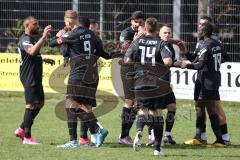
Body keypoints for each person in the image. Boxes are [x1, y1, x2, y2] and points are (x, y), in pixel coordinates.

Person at [50, 10, 119, 148]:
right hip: (92, 75)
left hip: (78, 75)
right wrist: (119, 53)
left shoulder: (71, 34)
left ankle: (95, 130)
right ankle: (84, 138)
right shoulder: (93, 36)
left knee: (71, 104)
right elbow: (105, 55)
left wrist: (60, 36)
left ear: (70, 21)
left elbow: (53, 43)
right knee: (83, 106)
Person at [124, 17, 173, 156]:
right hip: (156, 83)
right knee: (157, 114)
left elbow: (127, 60)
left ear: (145, 29)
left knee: (142, 110)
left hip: (139, 81)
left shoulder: (137, 42)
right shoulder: (160, 43)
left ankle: (139, 130)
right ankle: (157, 149)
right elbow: (168, 61)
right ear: (157, 30)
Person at [183, 16, 230, 145]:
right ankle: (199, 137)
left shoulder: (208, 44)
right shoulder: (210, 43)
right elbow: (196, 59)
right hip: (203, 79)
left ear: (204, 32)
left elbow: (199, 65)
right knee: (199, 106)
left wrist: (184, 65)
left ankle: (221, 140)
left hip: (208, 80)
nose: (197, 31)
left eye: (199, 29)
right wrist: (185, 51)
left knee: (212, 109)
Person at [15, 16, 55, 144]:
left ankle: (22, 128)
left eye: (37, 24)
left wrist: (43, 59)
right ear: (27, 26)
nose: (38, 26)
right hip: (29, 76)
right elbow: (31, 52)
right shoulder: (25, 39)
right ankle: (27, 137)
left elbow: (32, 56)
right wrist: (43, 37)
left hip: (35, 76)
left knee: (40, 103)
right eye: (35, 24)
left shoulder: (31, 39)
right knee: (31, 105)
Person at [119, 10, 144, 145]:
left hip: (141, 69)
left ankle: (125, 133)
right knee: (129, 101)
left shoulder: (146, 32)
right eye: (135, 22)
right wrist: (136, 39)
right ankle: (124, 135)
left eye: (140, 22)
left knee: (138, 103)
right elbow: (123, 50)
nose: (137, 24)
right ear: (131, 22)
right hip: (128, 68)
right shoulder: (126, 32)